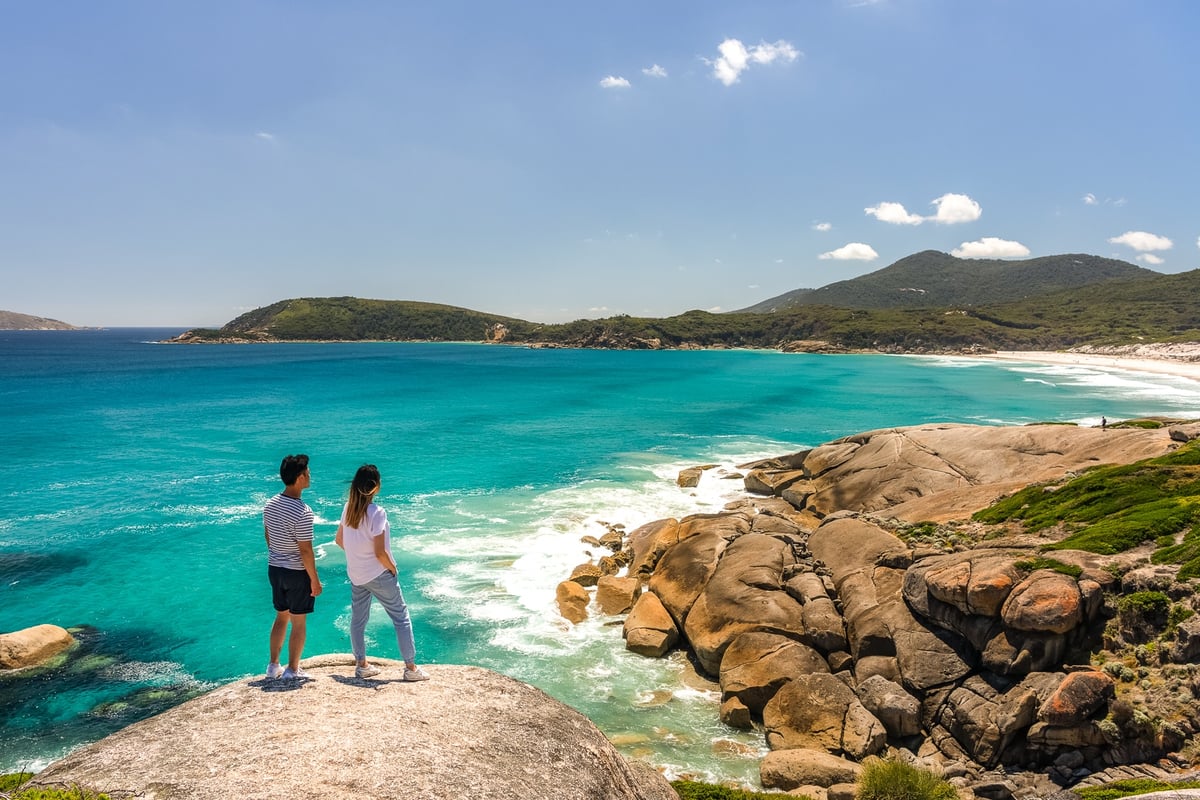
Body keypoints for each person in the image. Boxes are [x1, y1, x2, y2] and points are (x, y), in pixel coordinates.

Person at [335, 464, 429, 681]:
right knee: (401, 617)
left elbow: (339, 540)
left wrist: (358, 556)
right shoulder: (377, 512)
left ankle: (361, 665)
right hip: (378, 574)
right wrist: (392, 567)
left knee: (358, 620)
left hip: (356, 574)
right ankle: (411, 669)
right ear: (375, 486)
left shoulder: (348, 507)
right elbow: (379, 552)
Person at [264, 454, 322, 680]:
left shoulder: (270, 505)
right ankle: (293, 669)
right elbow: (305, 551)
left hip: (275, 568)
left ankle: (272, 666)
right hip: (296, 572)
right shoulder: (303, 512)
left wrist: (279, 555)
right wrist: (314, 580)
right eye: (307, 472)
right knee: (299, 622)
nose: (310, 476)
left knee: (281, 616)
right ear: (299, 477)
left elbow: (268, 536)